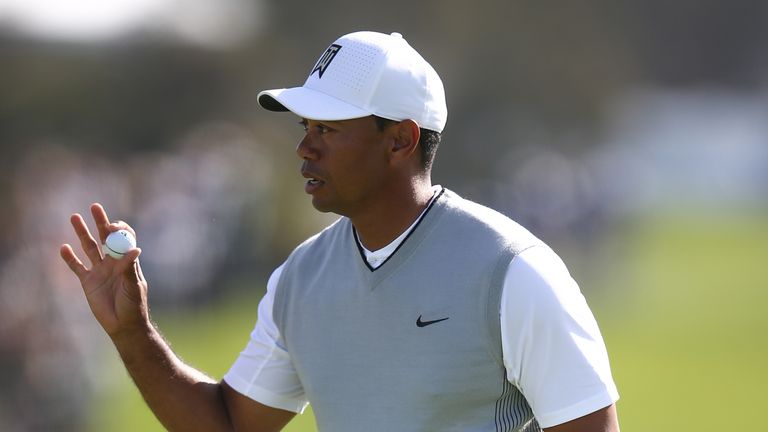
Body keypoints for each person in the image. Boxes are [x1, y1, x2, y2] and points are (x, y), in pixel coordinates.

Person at [61, 31, 620, 431]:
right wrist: (133, 333)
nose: (304, 147)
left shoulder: (513, 271)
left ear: (400, 139)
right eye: (306, 126)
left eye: (327, 128)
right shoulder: (300, 278)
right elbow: (231, 425)